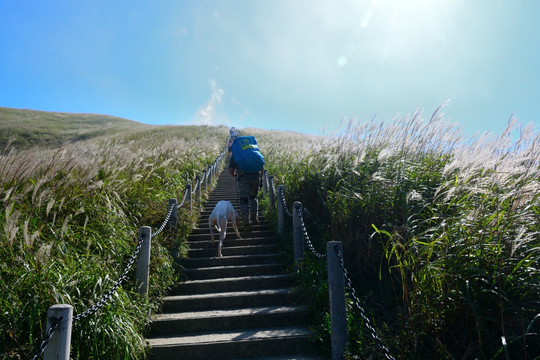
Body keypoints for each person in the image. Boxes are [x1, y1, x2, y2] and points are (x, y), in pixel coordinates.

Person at [229, 150, 263, 230]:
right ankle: (254, 216)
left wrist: (235, 174)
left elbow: (231, 171)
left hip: (243, 178)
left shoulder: (235, 154)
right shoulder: (254, 152)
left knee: (244, 199)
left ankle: (246, 222)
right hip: (255, 177)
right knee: (253, 197)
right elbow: (261, 166)